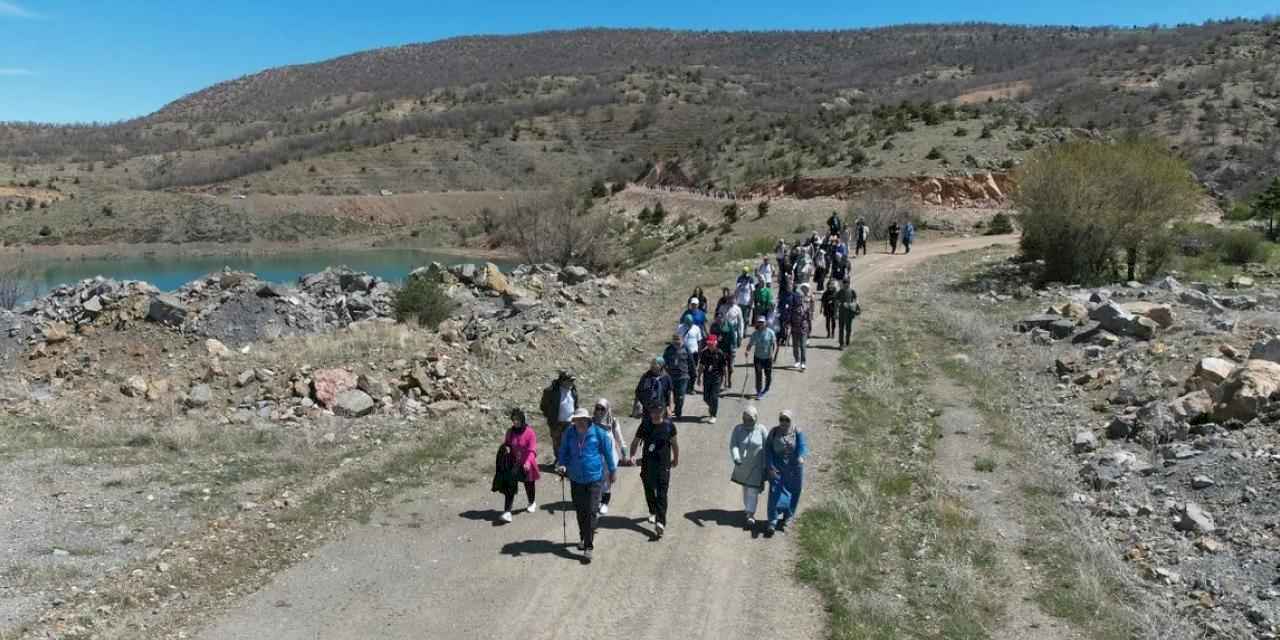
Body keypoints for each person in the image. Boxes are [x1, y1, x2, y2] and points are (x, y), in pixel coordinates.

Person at [557, 408, 618, 561]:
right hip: (575, 478)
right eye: (577, 419)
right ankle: (583, 536)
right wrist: (562, 464)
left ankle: (588, 546)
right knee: (580, 510)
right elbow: (563, 451)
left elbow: (609, 453)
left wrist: (612, 470)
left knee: (591, 511)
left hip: (595, 478)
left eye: (582, 419)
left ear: (588, 420)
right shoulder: (569, 433)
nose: (580, 422)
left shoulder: (598, 433)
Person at [628, 404, 680, 539]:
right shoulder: (645, 425)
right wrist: (632, 455)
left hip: (663, 465)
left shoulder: (669, 426)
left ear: (663, 411)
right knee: (649, 489)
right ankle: (652, 511)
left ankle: (660, 522)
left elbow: (674, 444)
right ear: (650, 412)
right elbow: (635, 441)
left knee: (662, 493)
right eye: (653, 411)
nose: (656, 414)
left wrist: (676, 459)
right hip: (647, 465)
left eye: (659, 411)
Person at [765, 410, 808, 535]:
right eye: (781, 419)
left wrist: (801, 456)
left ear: (791, 421)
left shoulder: (797, 432)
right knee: (775, 493)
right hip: (777, 468)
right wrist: (770, 467)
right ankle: (772, 522)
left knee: (794, 492)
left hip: (794, 469)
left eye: (787, 420)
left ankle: (788, 517)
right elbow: (768, 450)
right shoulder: (773, 432)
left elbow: (802, 446)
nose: (784, 422)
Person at [496, 408, 540, 523]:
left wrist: (527, 462)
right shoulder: (510, 432)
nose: (515, 422)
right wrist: (506, 448)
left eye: (518, 419)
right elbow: (507, 444)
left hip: (527, 464)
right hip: (514, 464)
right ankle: (507, 512)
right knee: (509, 487)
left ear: (523, 420)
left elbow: (532, 450)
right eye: (514, 419)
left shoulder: (530, 432)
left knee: (529, 485)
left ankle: (531, 502)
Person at [730, 406, 768, 528]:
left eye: (750, 419)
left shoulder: (761, 429)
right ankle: (748, 509)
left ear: (755, 418)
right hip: (742, 466)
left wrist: (767, 465)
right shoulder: (738, 429)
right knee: (746, 489)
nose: (747, 421)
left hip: (757, 466)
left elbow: (768, 447)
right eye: (745, 418)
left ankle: (750, 514)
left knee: (753, 490)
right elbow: (733, 444)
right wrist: (736, 457)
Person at [593, 399, 627, 515]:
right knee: (596, 479)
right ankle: (596, 499)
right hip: (595, 455)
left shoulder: (612, 422)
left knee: (607, 480)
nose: (600, 411)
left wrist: (624, 451)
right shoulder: (591, 422)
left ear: (607, 409)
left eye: (602, 408)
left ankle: (605, 503)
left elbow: (619, 437)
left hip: (610, 456)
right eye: (597, 408)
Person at [538, 370, 578, 466]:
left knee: (571, 443)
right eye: (570, 381)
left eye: (573, 381)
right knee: (557, 444)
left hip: (570, 422)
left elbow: (576, 405)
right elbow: (543, 406)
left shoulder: (573, 391)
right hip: (557, 423)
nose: (572, 383)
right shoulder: (552, 392)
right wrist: (550, 416)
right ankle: (559, 461)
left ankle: (569, 463)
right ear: (562, 381)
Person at [744, 317, 778, 400]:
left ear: (765, 323)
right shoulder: (755, 333)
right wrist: (747, 351)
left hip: (768, 358)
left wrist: (773, 355)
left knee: (768, 375)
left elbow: (775, 344)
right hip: (758, 357)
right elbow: (750, 344)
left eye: (762, 322)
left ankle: (766, 388)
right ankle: (759, 391)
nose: (761, 324)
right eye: (759, 322)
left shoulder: (770, 332)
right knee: (758, 375)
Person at [700, 334, 729, 424]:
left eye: (711, 344)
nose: (710, 345)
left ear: (715, 343)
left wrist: (726, 380)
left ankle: (713, 415)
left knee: (714, 397)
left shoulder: (720, 353)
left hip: (717, 378)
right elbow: (701, 366)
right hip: (707, 377)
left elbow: (724, 367)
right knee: (706, 397)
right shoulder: (704, 353)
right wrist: (698, 377)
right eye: (708, 343)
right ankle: (712, 407)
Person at [662, 332, 691, 418]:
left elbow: (691, 363)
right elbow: (663, 362)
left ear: (682, 340)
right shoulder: (668, 350)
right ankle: (676, 408)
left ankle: (678, 412)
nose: (677, 342)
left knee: (681, 396)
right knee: (675, 396)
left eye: (678, 339)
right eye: (675, 340)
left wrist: (693, 376)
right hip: (671, 376)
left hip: (683, 376)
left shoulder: (686, 349)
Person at [789, 284, 812, 370]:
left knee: (802, 346)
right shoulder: (792, 309)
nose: (798, 300)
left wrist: (809, 331)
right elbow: (789, 319)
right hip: (794, 329)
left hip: (803, 329)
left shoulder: (805, 307)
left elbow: (808, 319)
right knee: (795, 346)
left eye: (799, 299)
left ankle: (803, 362)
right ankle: (797, 361)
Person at [713, 314, 740, 388]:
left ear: (723, 319)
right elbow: (711, 337)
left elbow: (733, 337)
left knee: (729, 366)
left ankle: (729, 379)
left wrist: (733, 348)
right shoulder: (714, 326)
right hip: (719, 348)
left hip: (728, 349)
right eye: (717, 319)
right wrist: (716, 341)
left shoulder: (729, 325)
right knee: (720, 366)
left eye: (720, 319)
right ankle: (721, 381)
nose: (719, 320)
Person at [680, 319, 705, 390]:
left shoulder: (696, 328)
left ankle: (691, 386)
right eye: (687, 323)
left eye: (690, 323)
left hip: (694, 353)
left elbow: (699, 340)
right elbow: (678, 338)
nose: (689, 324)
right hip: (684, 353)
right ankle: (687, 386)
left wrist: (699, 352)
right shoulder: (681, 327)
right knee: (685, 370)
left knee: (693, 370)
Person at [835, 279, 859, 349]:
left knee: (848, 329)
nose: (845, 284)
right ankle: (841, 344)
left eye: (847, 283)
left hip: (849, 313)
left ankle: (847, 342)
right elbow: (836, 302)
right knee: (841, 328)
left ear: (849, 283)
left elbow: (855, 302)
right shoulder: (840, 292)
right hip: (841, 313)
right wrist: (836, 312)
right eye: (844, 283)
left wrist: (850, 305)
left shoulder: (852, 291)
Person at [734, 267, 755, 337]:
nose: (745, 274)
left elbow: (752, 291)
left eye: (746, 272)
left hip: (747, 302)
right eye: (744, 272)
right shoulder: (739, 278)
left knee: (746, 318)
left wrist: (751, 301)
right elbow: (736, 290)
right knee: (739, 318)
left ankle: (744, 331)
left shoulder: (750, 279)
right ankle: (739, 331)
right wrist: (735, 299)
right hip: (740, 302)